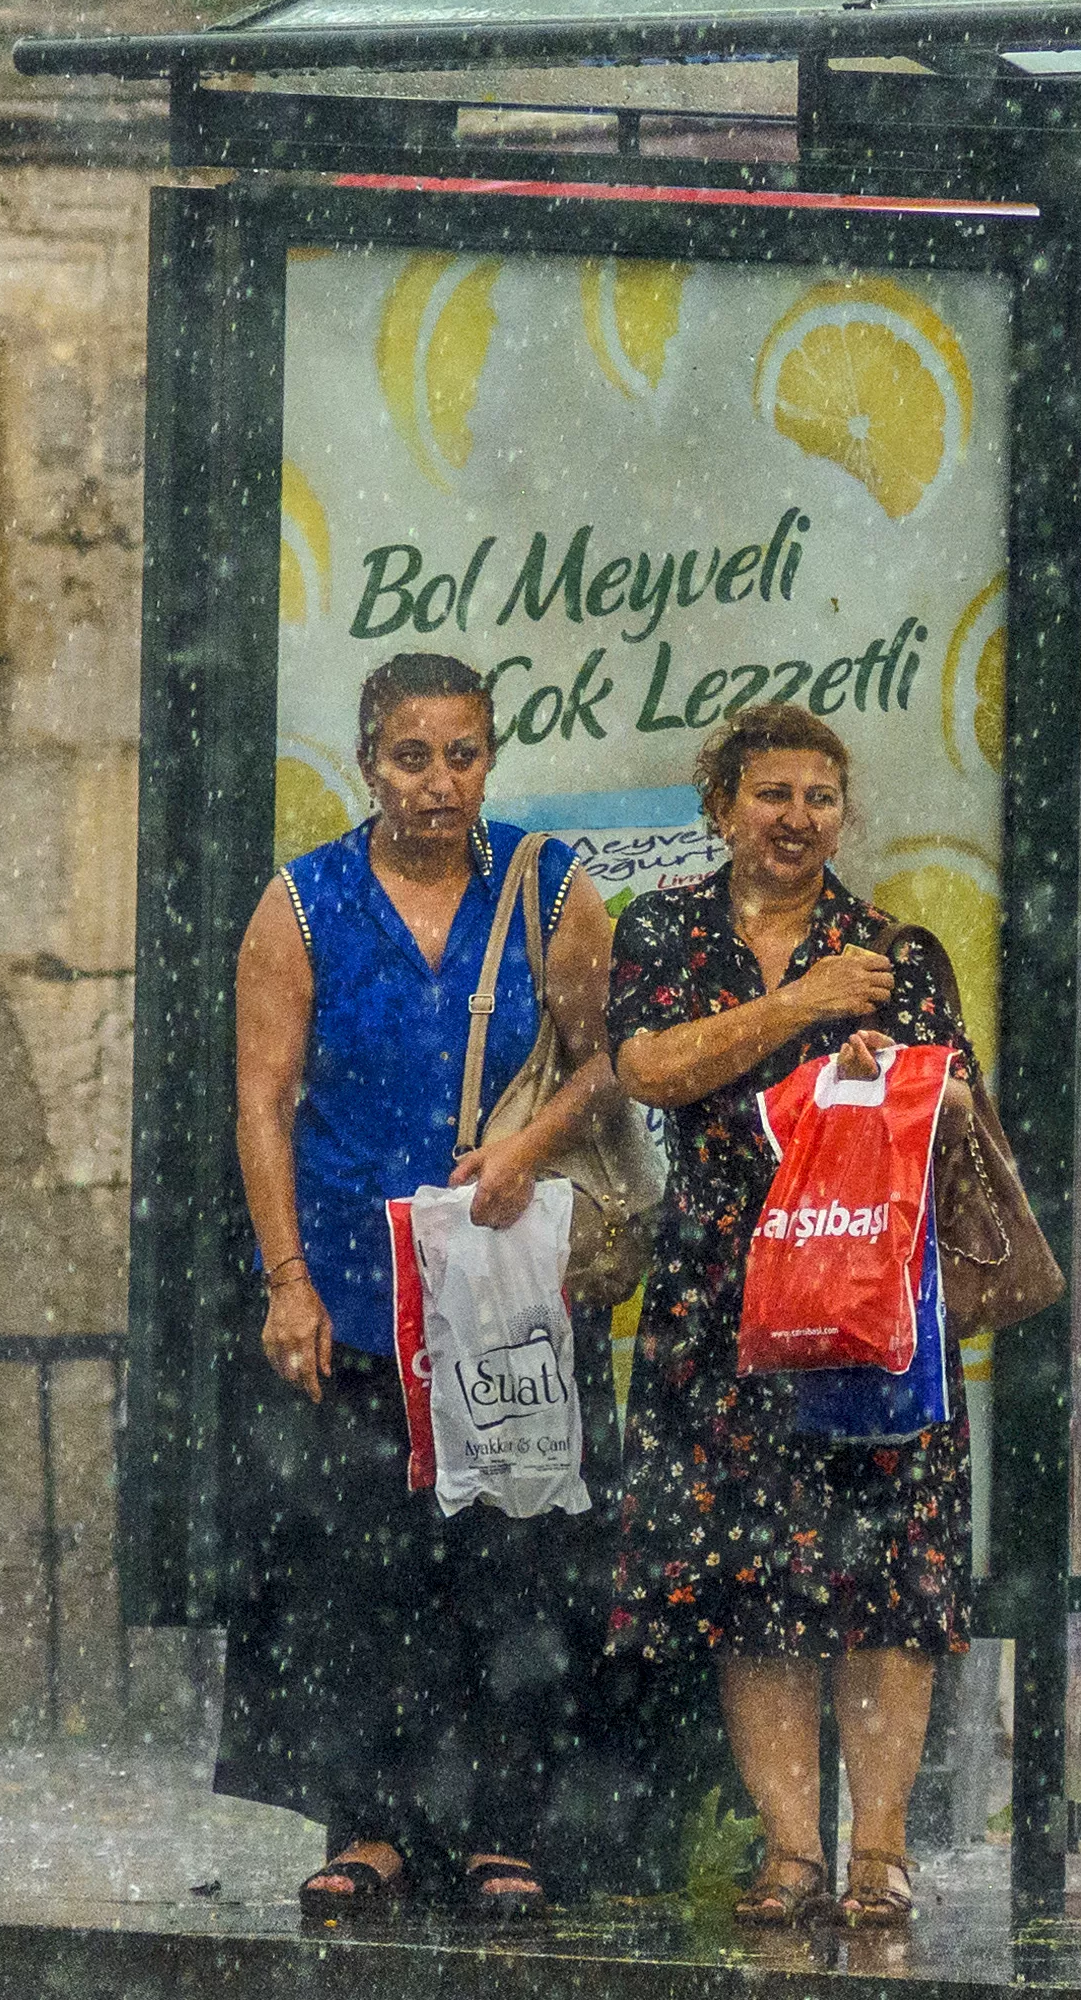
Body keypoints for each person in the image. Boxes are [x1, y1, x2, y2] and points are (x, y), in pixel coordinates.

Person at [222, 651, 636, 1922]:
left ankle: (506, 1822)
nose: (439, 782)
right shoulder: (301, 903)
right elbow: (265, 1097)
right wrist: (287, 1277)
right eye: (413, 756)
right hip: (354, 1287)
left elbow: (610, 1060)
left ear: (491, 760)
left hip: (503, 1287)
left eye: (462, 754)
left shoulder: (548, 886)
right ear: (367, 762)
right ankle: (376, 1824)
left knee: (512, 1560)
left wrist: (525, 1146)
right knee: (361, 1567)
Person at [605, 704, 972, 1933]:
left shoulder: (897, 950)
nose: (797, 817)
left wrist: (889, 1073)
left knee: (884, 1583)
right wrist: (803, 1007)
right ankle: (790, 1852)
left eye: (820, 795)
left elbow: (953, 1113)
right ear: (722, 805)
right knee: (749, 1582)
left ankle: (881, 1851)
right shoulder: (666, 927)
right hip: (722, 1294)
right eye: (773, 792)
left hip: (863, 1293)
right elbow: (651, 1067)